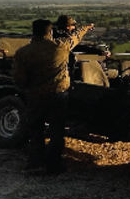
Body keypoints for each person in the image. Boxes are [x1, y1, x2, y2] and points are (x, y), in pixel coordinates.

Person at [13, 19, 93, 174]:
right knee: (57, 131)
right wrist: (86, 28)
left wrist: (29, 89)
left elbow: (18, 79)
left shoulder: (23, 53)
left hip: (35, 96)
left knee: (36, 130)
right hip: (58, 95)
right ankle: (53, 165)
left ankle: (35, 164)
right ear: (50, 32)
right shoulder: (60, 47)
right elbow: (75, 36)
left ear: (34, 32)